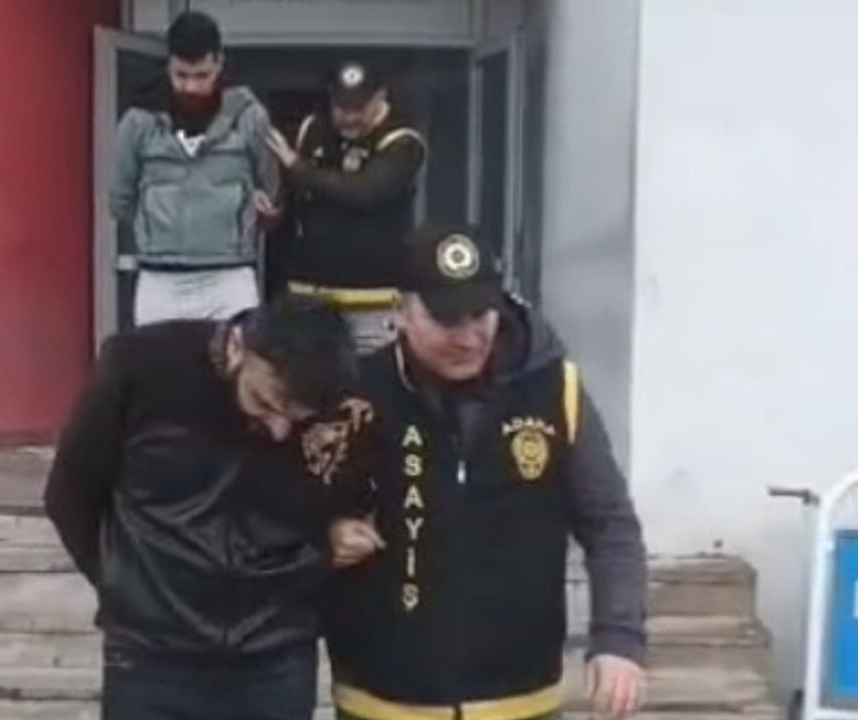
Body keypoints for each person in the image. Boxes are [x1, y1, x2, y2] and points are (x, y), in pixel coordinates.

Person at [325, 225, 649, 720]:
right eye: (446, 319)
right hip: (381, 699)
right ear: (401, 311)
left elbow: (609, 524)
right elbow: (287, 507)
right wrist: (325, 533)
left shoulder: (555, 390)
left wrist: (618, 640)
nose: (467, 336)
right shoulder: (354, 394)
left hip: (521, 696)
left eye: (480, 314)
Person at [44, 294, 372, 720]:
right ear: (238, 348)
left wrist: (329, 542)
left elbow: (348, 496)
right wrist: (125, 584)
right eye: (266, 403)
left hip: (276, 654)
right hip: (151, 659)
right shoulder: (139, 366)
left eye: (296, 420)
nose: (279, 430)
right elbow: (70, 492)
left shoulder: (338, 405)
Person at [110, 11, 280, 326]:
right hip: (159, 278)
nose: (191, 86)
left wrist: (266, 209)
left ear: (219, 64)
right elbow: (120, 201)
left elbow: (272, 191)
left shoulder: (250, 117)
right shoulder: (138, 121)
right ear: (168, 65)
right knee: (157, 359)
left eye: (202, 76)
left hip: (229, 277)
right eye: (181, 75)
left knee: (238, 358)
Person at [267, 59, 427, 352]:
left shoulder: (402, 141)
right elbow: (290, 196)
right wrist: (274, 207)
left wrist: (299, 170)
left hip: (373, 299)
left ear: (380, 97)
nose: (349, 118)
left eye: (359, 109)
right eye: (342, 108)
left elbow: (366, 192)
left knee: (376, 377)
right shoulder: (312, 129)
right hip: (311, 296)